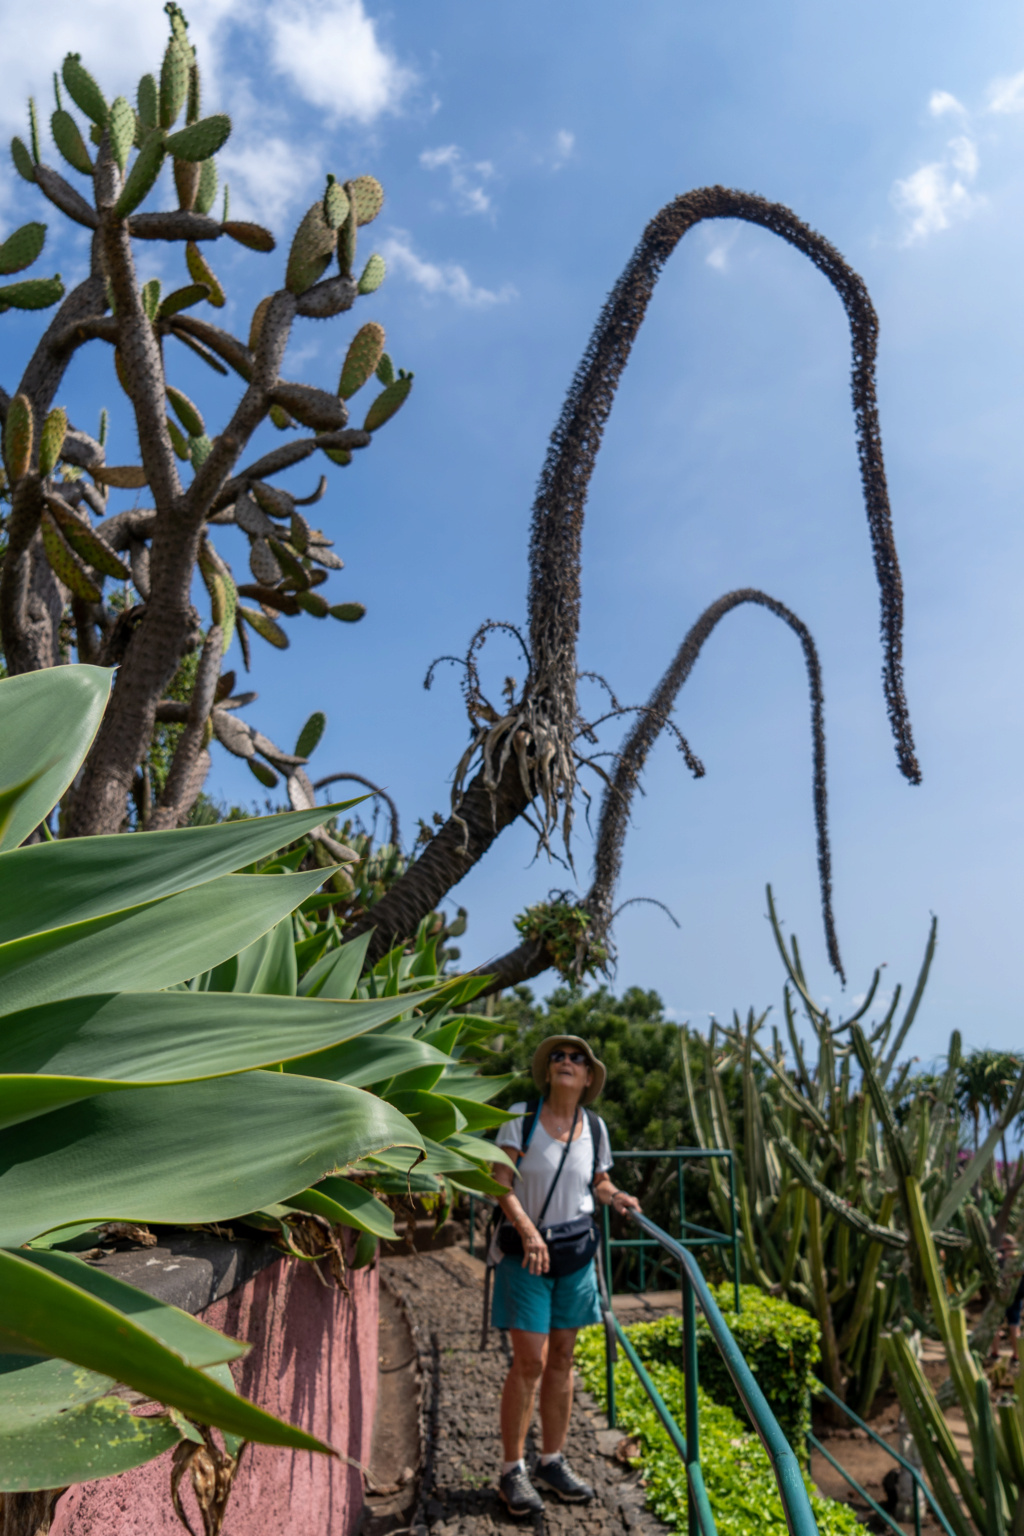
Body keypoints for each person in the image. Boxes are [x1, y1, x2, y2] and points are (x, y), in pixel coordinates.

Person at [489, 1034, 641, 1518]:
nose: (567, 1062)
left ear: (590, 1077)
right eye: (558, 1056)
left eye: (577, 1058)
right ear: (548, 1069)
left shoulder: (594, 1127)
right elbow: (499, 1184)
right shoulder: (521, 1117)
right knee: (530, 1361)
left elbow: (598, 1180)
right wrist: (529, 1231)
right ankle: (512, 1469)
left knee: (563, 1360)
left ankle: (551, 1461)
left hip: (575, 1257)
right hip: (526, 1255)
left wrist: (617, 1197)